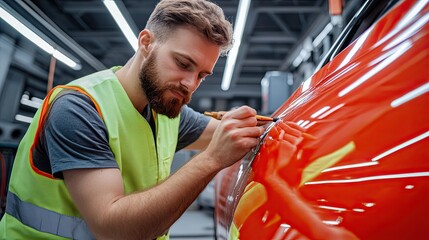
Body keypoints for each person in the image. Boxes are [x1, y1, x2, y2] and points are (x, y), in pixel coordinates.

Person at [0, 0, 279, 239]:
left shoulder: (167, 112)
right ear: (146, 42)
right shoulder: (78, 109)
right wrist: (211, 160)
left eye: (202, 75)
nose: (190, 84)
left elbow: (233, 132)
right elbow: (113, 230)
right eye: (183, 64)